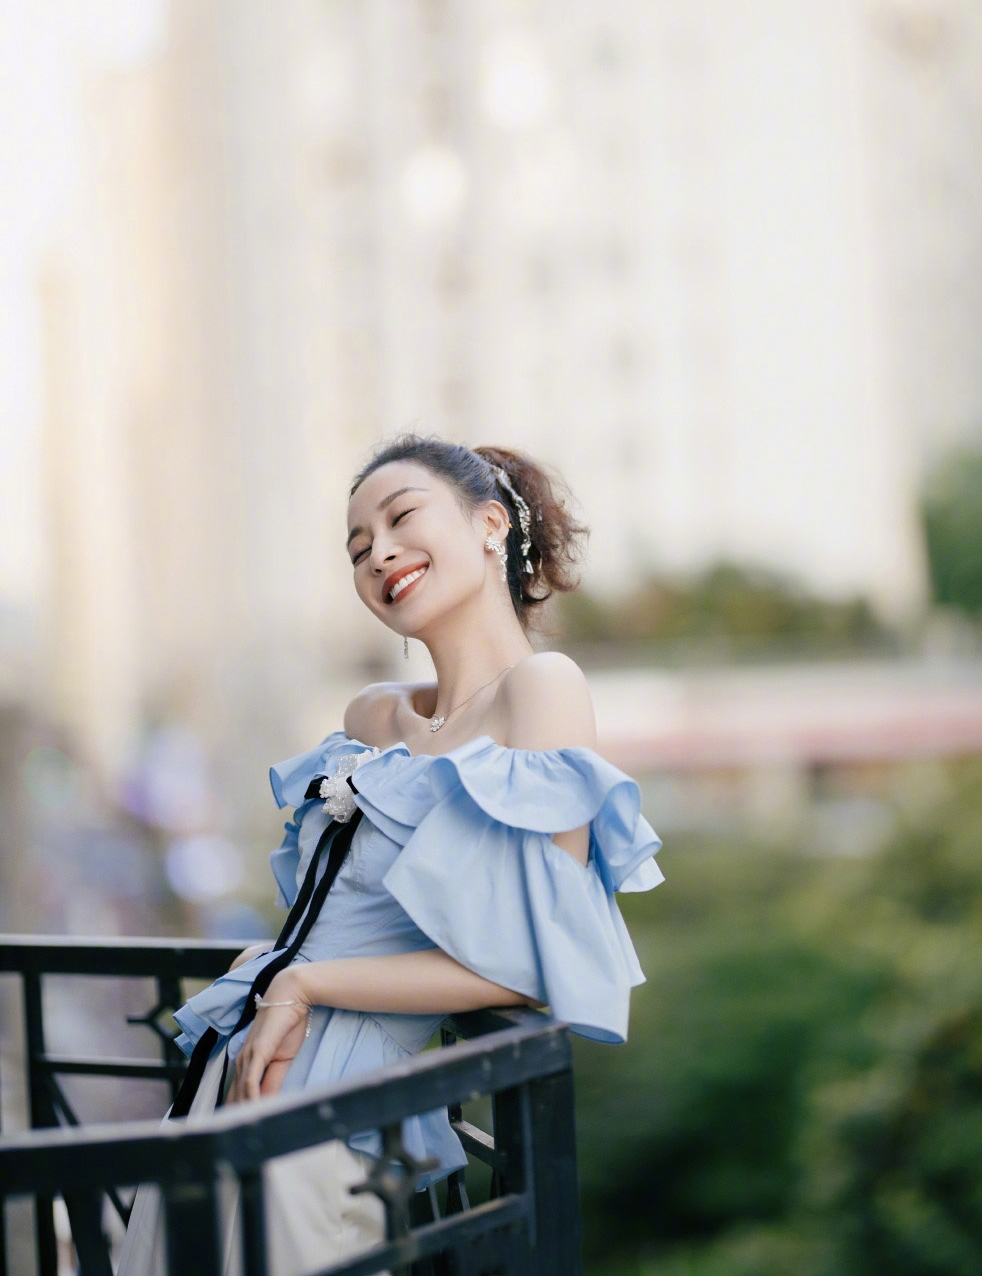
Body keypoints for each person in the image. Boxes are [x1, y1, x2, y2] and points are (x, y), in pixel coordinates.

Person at [117, 435, 663, 1276]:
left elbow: (535, 965)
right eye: (358, 547)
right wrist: (281, 966)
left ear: (489, 525)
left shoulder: (542, 690)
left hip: (339, 1114)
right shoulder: (373, 717)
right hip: (234, 1067)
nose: (380, 554)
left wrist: (304, 981)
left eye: (402, 518)